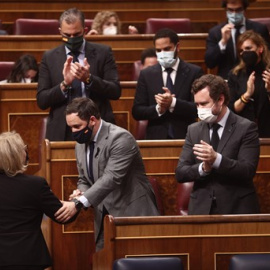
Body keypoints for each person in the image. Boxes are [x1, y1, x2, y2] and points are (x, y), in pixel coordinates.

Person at [66, 97, 159, 250]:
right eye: (71, 127)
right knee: (104, 263)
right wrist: (81, 191)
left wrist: (80, 202)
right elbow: (84, 178)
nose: (73, 132)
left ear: (92, 120)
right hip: (103, 218)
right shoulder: (80, 145)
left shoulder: (120, 138)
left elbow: (111, 178)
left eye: (77, 126)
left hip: (132, 214)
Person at [175, 74, 260, 215]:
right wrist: (204, 167)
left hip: (236, 208)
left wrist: (217, 160)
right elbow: (181, 173)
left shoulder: (246, 128)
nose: (199, 109)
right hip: (201, 209)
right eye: (197, 104)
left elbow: (247, 170)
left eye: (203, 104)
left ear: (220, 99)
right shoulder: (193, 130)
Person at [37, 8, 121, 141]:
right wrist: (64, 84)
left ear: (85, 31)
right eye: (67, 35)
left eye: (76, 35)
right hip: (63, 131)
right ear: (60, 32)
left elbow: (115, 91)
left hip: (97, 127)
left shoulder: (103, 52)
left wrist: (89, 79)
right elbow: (42, 101)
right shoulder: (50, 57)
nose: (71, 39)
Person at [0, 131, 79, 270]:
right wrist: (77, 202)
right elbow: (62, 216)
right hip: (28, 257)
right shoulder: (35, 184)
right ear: (19, 155)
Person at [132, 28, 204, 139]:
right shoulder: (146, 74)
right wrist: (158, 109)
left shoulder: (194, 72)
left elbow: (200, 108)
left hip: (186, 137)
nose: (163, 54)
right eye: (159, 50)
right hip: (156, 139)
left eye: (167, 49)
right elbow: (137, 111)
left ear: (177, 47)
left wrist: (173, 103)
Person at [205, 0, 270, 80]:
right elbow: (210, 63)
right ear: (226, 10)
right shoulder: (216, 32)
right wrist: (223, 42)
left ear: (244, 9)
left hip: (254, 78)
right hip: (227, 80)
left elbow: (267, 57)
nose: (234, 13)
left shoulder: (259, 29)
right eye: (230, 10)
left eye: (238, 10)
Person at [228, 30, 270, 137]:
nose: (244, 53)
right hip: (243, 133)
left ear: (260, 48)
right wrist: (247, 95)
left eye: (248, 48)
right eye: (241, 51)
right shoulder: (235, 74)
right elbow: (231, 109)